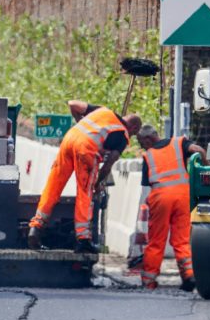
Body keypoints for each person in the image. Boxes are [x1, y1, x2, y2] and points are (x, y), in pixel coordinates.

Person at [28, 101, 142, 252]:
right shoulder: (122, 135)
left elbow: (72, 104)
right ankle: (83, 240)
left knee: (53, 186)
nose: (131, 136)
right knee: (85, 193)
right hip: (85, 149)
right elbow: (109, 165)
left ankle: (35, 228)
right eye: (134, 133)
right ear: (133, 128)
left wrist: (81, 127)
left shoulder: (103, 111)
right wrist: (97, 183)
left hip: (69, 139)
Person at [138, 125, 207, 291]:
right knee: (182, 239)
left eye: (141, 142)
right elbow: (198, 150)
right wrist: (206, 164)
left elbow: (147, 185)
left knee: (156, 240)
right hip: (183, 196)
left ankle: (149, 280)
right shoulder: (178, 143)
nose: (141, 146)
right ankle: (189, 275)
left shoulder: (148, 156)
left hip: (161, 197)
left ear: (148, 139)